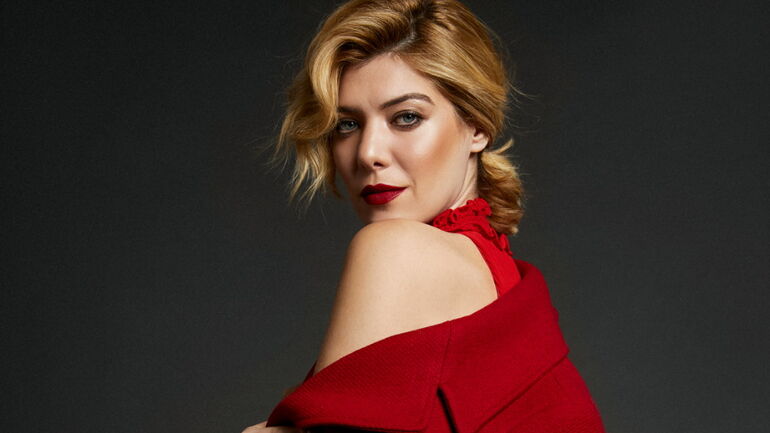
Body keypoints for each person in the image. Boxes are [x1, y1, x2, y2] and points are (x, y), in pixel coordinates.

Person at [243, 0, 606, 432]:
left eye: (406, 117)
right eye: (347, 125)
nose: (368, 153)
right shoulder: (494, 275)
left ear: (477, 126)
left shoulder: (396, 250)